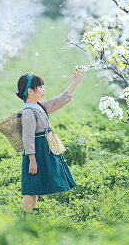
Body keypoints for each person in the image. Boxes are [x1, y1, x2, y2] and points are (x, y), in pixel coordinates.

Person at [15, 70, 83, 215]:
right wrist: (32, 160)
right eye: (41, 87)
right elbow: (27, 138)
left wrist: (73, 84)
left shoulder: (39, 107)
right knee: (30, 188)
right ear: (30, 91)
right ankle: (27, 218)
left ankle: (34, 216)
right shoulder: (28, 113)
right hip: (35, 153)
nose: (44, 90)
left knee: (35, 187)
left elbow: (57, 101)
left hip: (42, 151)